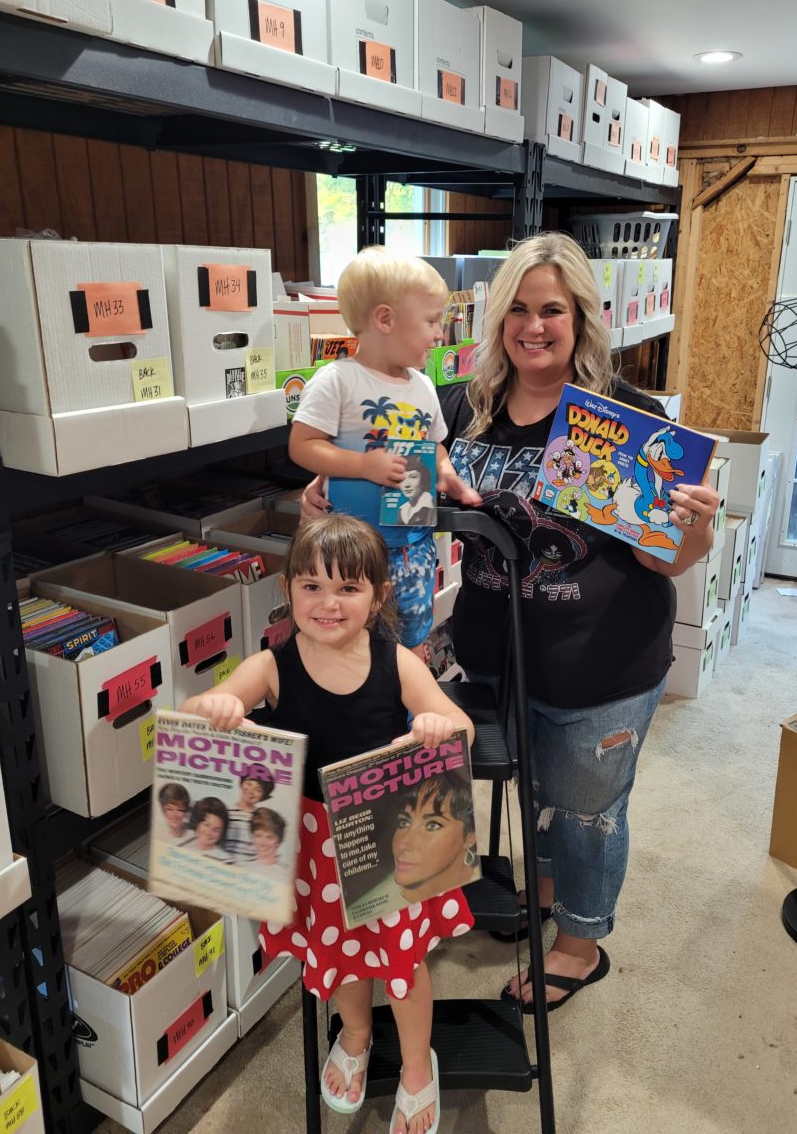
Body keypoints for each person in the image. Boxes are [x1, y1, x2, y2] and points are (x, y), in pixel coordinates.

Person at [304, 231, 719, 1016]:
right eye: (519, 310)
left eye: (553, 310)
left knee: (588, 812)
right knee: (537, 792)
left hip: (602, 663)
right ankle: (541, 897)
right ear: (497, 320)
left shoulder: (628, 417)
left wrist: (693, 529)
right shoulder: (458, 405)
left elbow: (669, 560)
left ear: (581, 319)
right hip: (489, 654)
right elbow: (396, 497)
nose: (535, 326)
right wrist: (330, 492)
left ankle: (579, 943)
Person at [181, 513, 475, 1134]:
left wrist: (437, 725)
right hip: (315, 845)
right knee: (342, 956)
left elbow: (461, 726)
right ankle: (358, 1034)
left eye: (348, 588)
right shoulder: (272, 664)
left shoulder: (400, 664)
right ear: (287, 590)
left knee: (401, 963)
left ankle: (418, 1066)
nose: (328, 603)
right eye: (311, 586)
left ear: (378, 595)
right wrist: (219, 703)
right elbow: (195, 710)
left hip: (386, 838)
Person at [288, 245, 479, 659]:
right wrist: (362, 464)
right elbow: (302, 445)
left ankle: (407, 711)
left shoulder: (423, 386)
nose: (438, 334)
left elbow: (434, 445)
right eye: (430, 321)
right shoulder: (337, 380)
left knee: (409, 637)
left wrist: (445, 472)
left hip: (413, 541)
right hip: (351, 549)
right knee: (349, 640)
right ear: (385, 319)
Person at [346, 767, 479, 924]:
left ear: (470, 837)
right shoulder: (365, 907)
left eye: (432, 825)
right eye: (404, 822)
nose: (404, 843)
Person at [225, 770, 275, 862]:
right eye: (248, 784)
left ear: (263, 796)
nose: (251, 791)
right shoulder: (226, 812)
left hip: (251, 867)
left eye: (258, 789)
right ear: (242, 783)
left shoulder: (262, 819)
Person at [179, 796, 232, 861]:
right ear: (198, 822)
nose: (209, 832)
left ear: (221, 833)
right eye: (206, 825)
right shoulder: (180, 844)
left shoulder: (225, 859)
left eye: (216, 830)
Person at [249, 807, 291, 881]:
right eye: (258, 835)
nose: (262, 842)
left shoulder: (287, 873)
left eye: (269, 837)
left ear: (278, 841)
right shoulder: (244, 867)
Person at [397, 454, 437, 526]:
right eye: (402, 478)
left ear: (423, 479)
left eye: (413, 477)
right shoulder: (403, 509)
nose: (406, 484)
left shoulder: (430, 507)